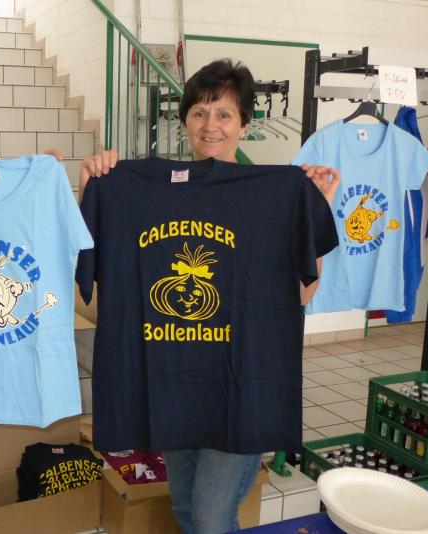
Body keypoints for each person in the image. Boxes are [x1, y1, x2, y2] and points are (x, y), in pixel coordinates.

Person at [80, 58, 340, 534]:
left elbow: (302, 293)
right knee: (184, 507)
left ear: (245, 124)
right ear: (184, 122)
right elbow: (92, 285)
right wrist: (94, 188)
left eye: (223, 114)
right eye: (199, 113)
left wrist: (316, 207)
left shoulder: (275, 196)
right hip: (172, 386)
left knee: (210, 516)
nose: (210, 125)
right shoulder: (136, 190)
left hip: (239, 389)